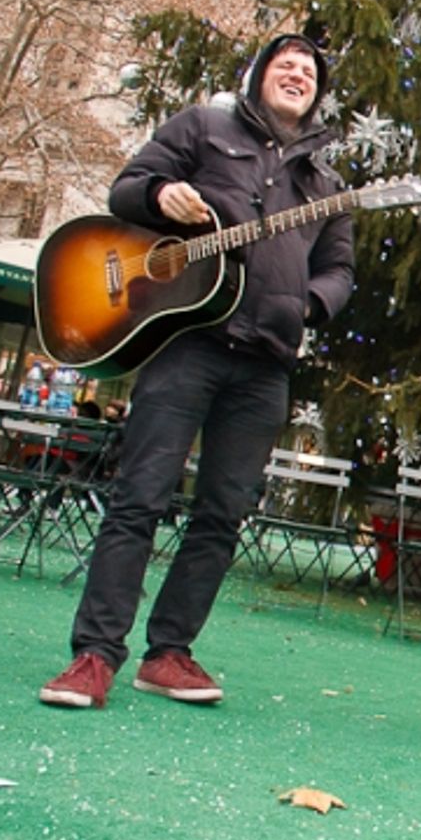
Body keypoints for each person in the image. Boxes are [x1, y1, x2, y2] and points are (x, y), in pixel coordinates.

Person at [39, 34, 354, 710]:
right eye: (285, 64)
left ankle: (169, 653)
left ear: (316, 95)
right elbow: (126, 190)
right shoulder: (203, 127)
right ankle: (94, 655)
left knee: (222, 514)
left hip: (266, 363)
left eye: (308, 71)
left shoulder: (326, 187)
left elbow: (339, 270)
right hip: (188, 345)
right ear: (259, 76)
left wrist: (309, 304)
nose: (297, 73)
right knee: (139, 498)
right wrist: (161, 195)